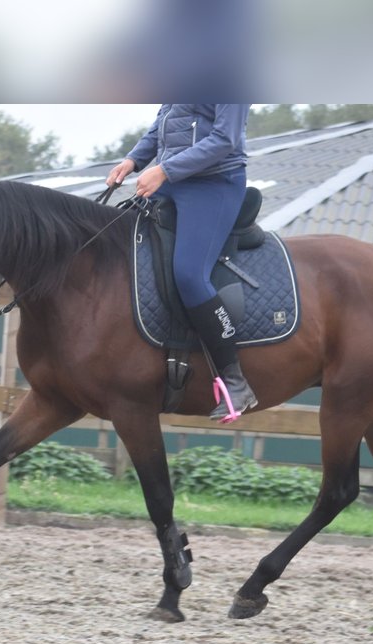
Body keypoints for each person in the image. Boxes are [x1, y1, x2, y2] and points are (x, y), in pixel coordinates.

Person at [107, 104, 257, 422]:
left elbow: (225, 139)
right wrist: (133, 160)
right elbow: (162, 126)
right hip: (172, 178)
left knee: (190, 275)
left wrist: (163, 171)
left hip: (214, 182)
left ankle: (235, 381)